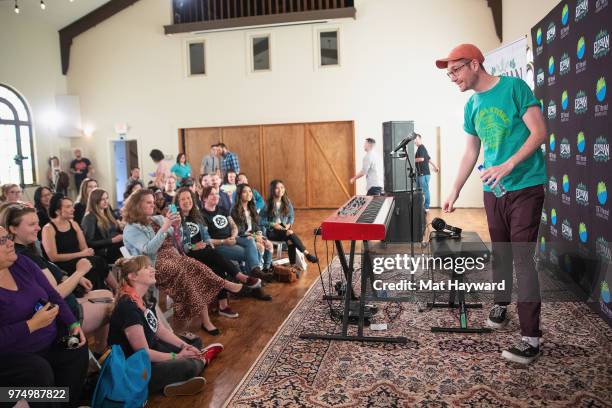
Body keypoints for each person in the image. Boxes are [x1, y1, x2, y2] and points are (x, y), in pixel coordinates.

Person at [437, 43, 547, 364]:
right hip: (494, 192)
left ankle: (530, 339)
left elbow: (539, 132)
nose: (453, 77)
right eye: (449, 74)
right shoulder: (472, 106)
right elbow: (472, 151)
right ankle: (501, 302)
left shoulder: (515, 88)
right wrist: (454, 189)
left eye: (455, 70)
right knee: (500, 253)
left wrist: (509, 165)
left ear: (474, 64)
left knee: (523, 260)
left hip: (525, 187)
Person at [122, 189, 246, 336]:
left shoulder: (157, 219)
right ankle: (221, 286)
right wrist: (166, 226)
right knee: (188, 271)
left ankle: (198, 318)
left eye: (153, 202)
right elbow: (149, 250)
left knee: (192, 266)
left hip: (173, 256)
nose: (152, 205)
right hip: (154, 264)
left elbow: (177, 241)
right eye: (148, 202)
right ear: (137, 205)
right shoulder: (131, 229)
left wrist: (177, 227)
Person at [1, 203, 112, 354]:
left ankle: (100, 352)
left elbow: (53, 277)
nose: (38, 228)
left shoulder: (27, 253)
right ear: (13, 229)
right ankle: (100, 351)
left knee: (107, 291)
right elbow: (54, 293)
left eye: (37, 223)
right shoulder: (21, 258)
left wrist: (70, 276)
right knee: (112, 303)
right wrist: (79, 272)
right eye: (32, 224)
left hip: (62, 310)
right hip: (58, 315)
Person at [108, 255, 224, 397]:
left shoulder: (145, 298)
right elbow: (143, 354)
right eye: (146, 267)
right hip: (137, 369)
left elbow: (159, 330)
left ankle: (189, 369)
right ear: (133, 276)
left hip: (152, 348)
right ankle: (199, 362)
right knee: (189, 365)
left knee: (194, 342)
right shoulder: (128, 307)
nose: (153, 269)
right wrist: (177, 356)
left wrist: (184, 347)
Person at [0, 226, 89, 408]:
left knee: (77, 344)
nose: (10, 243)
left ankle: (65, 403)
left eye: (8, 237)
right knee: (37, 370)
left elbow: (52, 294)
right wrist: (31, 325)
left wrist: (72, 323)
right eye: (2, 241)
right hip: (12, 356)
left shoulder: (21, 262)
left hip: (47, 341)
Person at [175, 188, 269, 309]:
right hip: (188, 253)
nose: (187, 201)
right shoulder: (176, 219)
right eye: (182, 199)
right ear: (177, 202)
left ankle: (223, 305)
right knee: (215, 254)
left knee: (217, 261)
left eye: (188, 198)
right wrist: (194, 246)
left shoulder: (197, 217)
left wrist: (212, 242)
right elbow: (178, 245)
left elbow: (206, 238)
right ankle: (241, 279)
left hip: (205, 250)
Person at [41, 193, 117, 292]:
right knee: (93, 263)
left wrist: (86, 252)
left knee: (98, 260)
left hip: (79, 258)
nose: (73, 209)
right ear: (58, 211)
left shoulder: (74, 224)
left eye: (72, 206)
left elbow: (84, 248)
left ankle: (115, 290)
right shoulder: (48, 228)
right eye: (68, 207)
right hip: (62, 264)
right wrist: (81, 254)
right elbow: (53, 257)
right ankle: (99, 293)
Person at [201, 186, 274, 283]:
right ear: (204, 198)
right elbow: (207, 240)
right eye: (211, 194)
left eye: (217, 194)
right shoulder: (201, 215)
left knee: (250, 240)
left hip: (232, 238)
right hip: (219, 244)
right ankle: (255, 277)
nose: (216, 196)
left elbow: (234, 226)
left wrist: (233, 236)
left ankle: (255, 276)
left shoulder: (222, 209)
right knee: (251, 252)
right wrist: (225, 241)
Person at [262, 180, 318, 265]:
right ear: (273, 190)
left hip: (284, 229)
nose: (280, 190)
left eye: (282, 187)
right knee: (289, 233)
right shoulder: (268, 204)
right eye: (277, 188)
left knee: (290, 240)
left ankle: (292, 265)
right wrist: (273, 224)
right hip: (272, 232)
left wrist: (289, 224)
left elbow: (291, 216)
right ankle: (307, 254)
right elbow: (260, 220)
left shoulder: (287, 202)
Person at [231, 184, 273, 272]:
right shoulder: (234, 210)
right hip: (242, 237)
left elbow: (256, 225)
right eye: (245, 192)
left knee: (269, 244)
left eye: (250, 191)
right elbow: (240, 231)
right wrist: (255, 237)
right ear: (239, 194)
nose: (248, 194)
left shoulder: (252, 207)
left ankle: (266, 268)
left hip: (253, 235)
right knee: (260, 247)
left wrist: (259, 234)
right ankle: (256, 271)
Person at [81, 188, 124, 264]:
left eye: (107, 198)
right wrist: (112, 240)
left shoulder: (108, 213)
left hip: (115, 246)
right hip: (104, 251)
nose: (106, 201)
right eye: (102, 199)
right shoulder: (89, 217)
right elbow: (89, 243)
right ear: (95, 201)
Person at [414, 133, 439, 212]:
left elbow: (421, 159)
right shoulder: (421, 148)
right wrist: (436, 167)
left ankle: (427, 207)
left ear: (420, 139)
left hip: (423, 174)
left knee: (425, 190)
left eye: (416, 139)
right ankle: (420, 206)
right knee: (418, 191)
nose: (415, 141)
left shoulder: (421, 147)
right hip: (420, 174)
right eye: (414, 140)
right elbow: (428, 159)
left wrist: (411, 159)